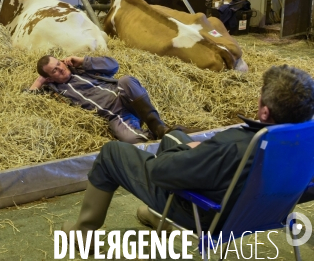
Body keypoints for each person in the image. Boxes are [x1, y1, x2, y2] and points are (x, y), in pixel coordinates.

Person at [62, 65, 314, 240]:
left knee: (112, 153)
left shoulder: (233, 145)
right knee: (174, 136)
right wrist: (190, 148)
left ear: (265, 112)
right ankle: (158, 216)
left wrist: (192, 151)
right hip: (259, 212)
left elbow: (158, 172)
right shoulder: (305, 144)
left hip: (206, 215)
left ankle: (82, 232)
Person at [29, 55, 174, 144]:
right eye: (54, 70)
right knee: (131, 140)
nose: (60, 69)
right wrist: (39, 82)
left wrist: (83, 60)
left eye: (58, 64)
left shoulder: (82, 69)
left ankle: (158, 126)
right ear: (49, 78)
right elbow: (28, 101)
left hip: (123, 96)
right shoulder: (56, 91)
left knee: (126, 80)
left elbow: (113, 65)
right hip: (115, 115)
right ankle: (164, 138)